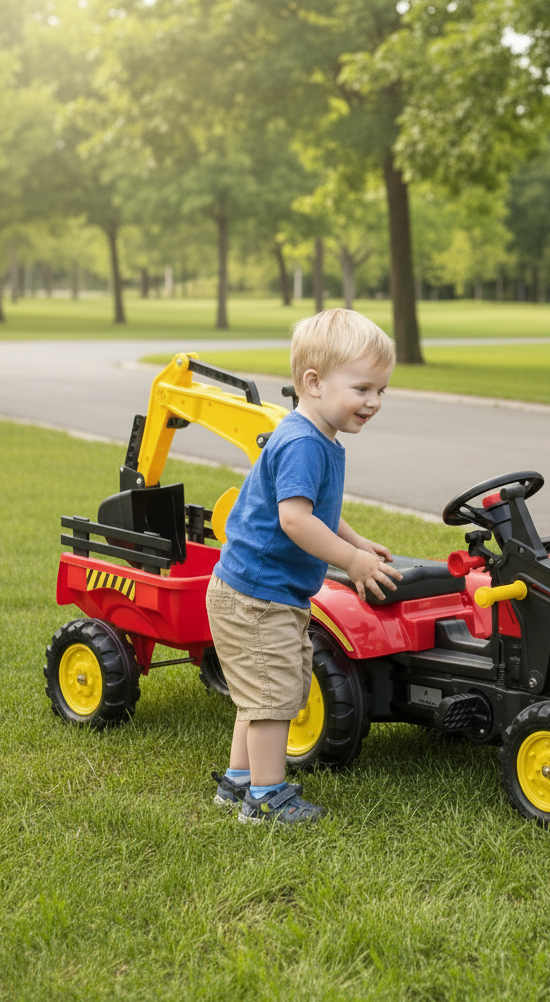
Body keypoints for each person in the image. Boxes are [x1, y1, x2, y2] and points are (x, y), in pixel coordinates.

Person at [206, 308, 401, 826]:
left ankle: (239, 781)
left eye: (381, 390)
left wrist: (357, 540)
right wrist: (352, 562)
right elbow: (295, 521)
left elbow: (317, 512)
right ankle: (265, 799)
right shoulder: (302, 443)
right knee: (271, 697)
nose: (374, 402)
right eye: (362, 389)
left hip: (264, 592)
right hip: (255, 596)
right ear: (313, 383)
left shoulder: (318, 437)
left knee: (264, 690)